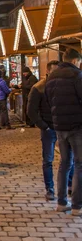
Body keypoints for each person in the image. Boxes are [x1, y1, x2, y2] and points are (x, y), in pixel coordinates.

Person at [28, 60, 74, 201]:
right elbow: (31, 111)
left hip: (64, 127)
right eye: (54, 70)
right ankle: (50, 189)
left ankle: (70, 185)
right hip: (49, 128)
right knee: (48, 160)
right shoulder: (39, 87)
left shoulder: (65, 85)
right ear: (47, 71)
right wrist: (44, 126)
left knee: (69, 160)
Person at [46, 48, 82, 214]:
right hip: (77, 126)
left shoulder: (52, 77)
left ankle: (61, 203)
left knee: (64, 163)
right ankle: (77, 206)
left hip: (59, 126)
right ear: (75, 61)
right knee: (79, 165)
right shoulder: (77, 75)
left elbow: (48, 100)